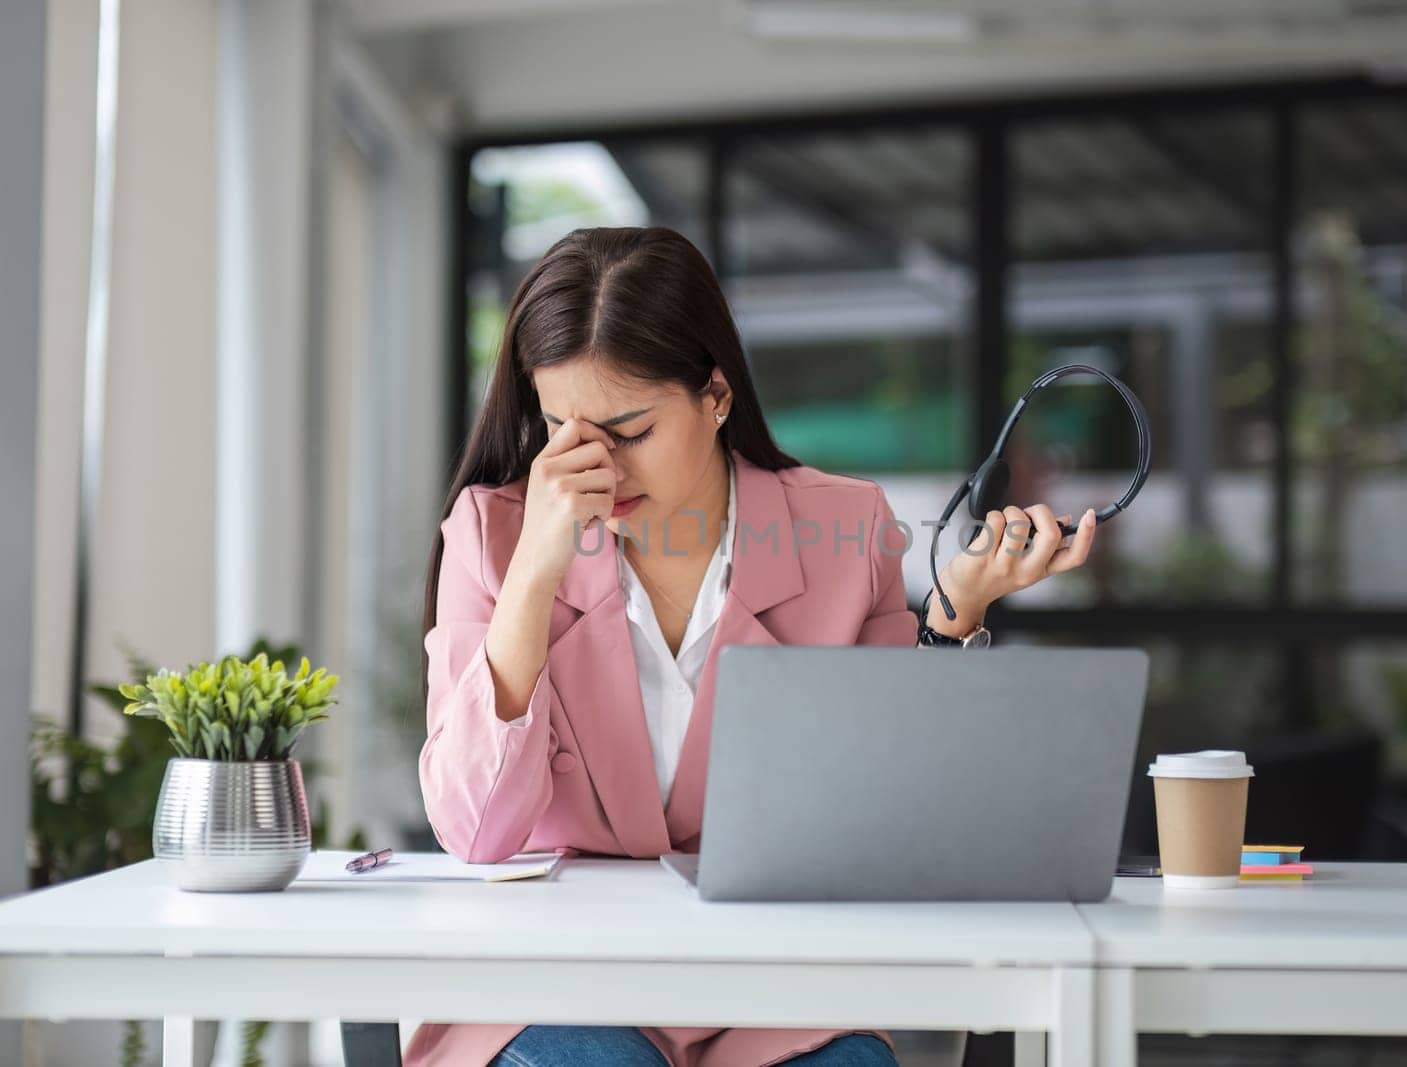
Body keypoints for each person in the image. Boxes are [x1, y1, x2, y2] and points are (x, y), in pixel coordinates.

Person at [408, 227, 1098, 1067]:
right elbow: (475, 830)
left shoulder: (845, 528)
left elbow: (888, 810)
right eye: (563, 428)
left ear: (717, 396)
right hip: (557, 983)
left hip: (776, 986)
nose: (596, 467)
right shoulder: (493, 533)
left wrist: (959, 607)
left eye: (629, 431)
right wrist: (534, 572)